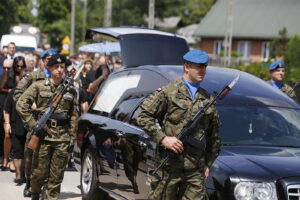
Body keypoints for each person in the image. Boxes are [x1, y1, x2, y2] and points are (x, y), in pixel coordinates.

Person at [137, 49, 221, 200]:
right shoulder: (168, 92)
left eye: (204, 66)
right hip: (168, 167)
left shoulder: (207, 99)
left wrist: (208, 163)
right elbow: (143, 116)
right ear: (187, 67)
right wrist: (163, 138)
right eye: (199, 66)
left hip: (195, 170)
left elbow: (213, 136)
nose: (203, 70)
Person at [16, 54, 79, 200]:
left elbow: (74, 115)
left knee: (56, 176)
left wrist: (72, 138)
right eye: (56, 67)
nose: (59, 70)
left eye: (62, 67)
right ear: (49, 68)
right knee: (38, 174)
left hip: (61, 137)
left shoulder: (70, 90)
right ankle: (35, 194)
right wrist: (34, 124)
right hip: (42, 137)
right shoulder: (38, 86)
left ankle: (51, 197)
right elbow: (21, 104)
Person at [3, 68, 33, 185]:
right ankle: (19, 175)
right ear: (20, 79)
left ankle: (26, 174)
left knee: (28, 153)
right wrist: (7, 124)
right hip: (16, 126)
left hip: (31, 127)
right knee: (17, 152)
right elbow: (6, 110)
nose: (26, 80)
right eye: (24, 77)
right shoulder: (14, 92)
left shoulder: (36, 93)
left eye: (29, 78)